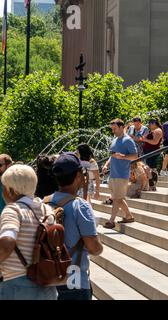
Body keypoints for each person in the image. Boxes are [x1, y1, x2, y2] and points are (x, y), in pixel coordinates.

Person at [49, 153, 103, 300]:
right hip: (75, 280)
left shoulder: (43, 202)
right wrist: (100, 245)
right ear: (78, 175)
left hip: (48, 278)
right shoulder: (80, 206)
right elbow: (93, 247)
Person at [0, 164, 57, 300]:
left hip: (16, 285)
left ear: (11, 191)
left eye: (4, 188)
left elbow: (7, 242)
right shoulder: (47, 210)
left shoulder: (13, 210)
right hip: (46, 284)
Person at [102, 119, 138, 229]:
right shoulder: (115, 140)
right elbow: (112, 155)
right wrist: (106, 164)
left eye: (114, 129)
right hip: (113, 174)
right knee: (118, 198)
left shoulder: (128, 140)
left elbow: (135, 156)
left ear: (122, 127)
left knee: (117, 199)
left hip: (122, 175)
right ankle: (128, 216)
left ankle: (111, 221)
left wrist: (123, 157)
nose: (113, 131)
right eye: (112, 129)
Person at [141, 119, 163, 190]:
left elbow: (155, 142)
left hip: (153, 152)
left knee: (150, 169)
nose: (149, 126)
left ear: (154, 123)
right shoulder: (155, 130)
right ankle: (151, 185)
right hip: (149, 152)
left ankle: (152, 185)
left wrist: (145, 140)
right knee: (149, 169)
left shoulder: (158, 131)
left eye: (150, 124)